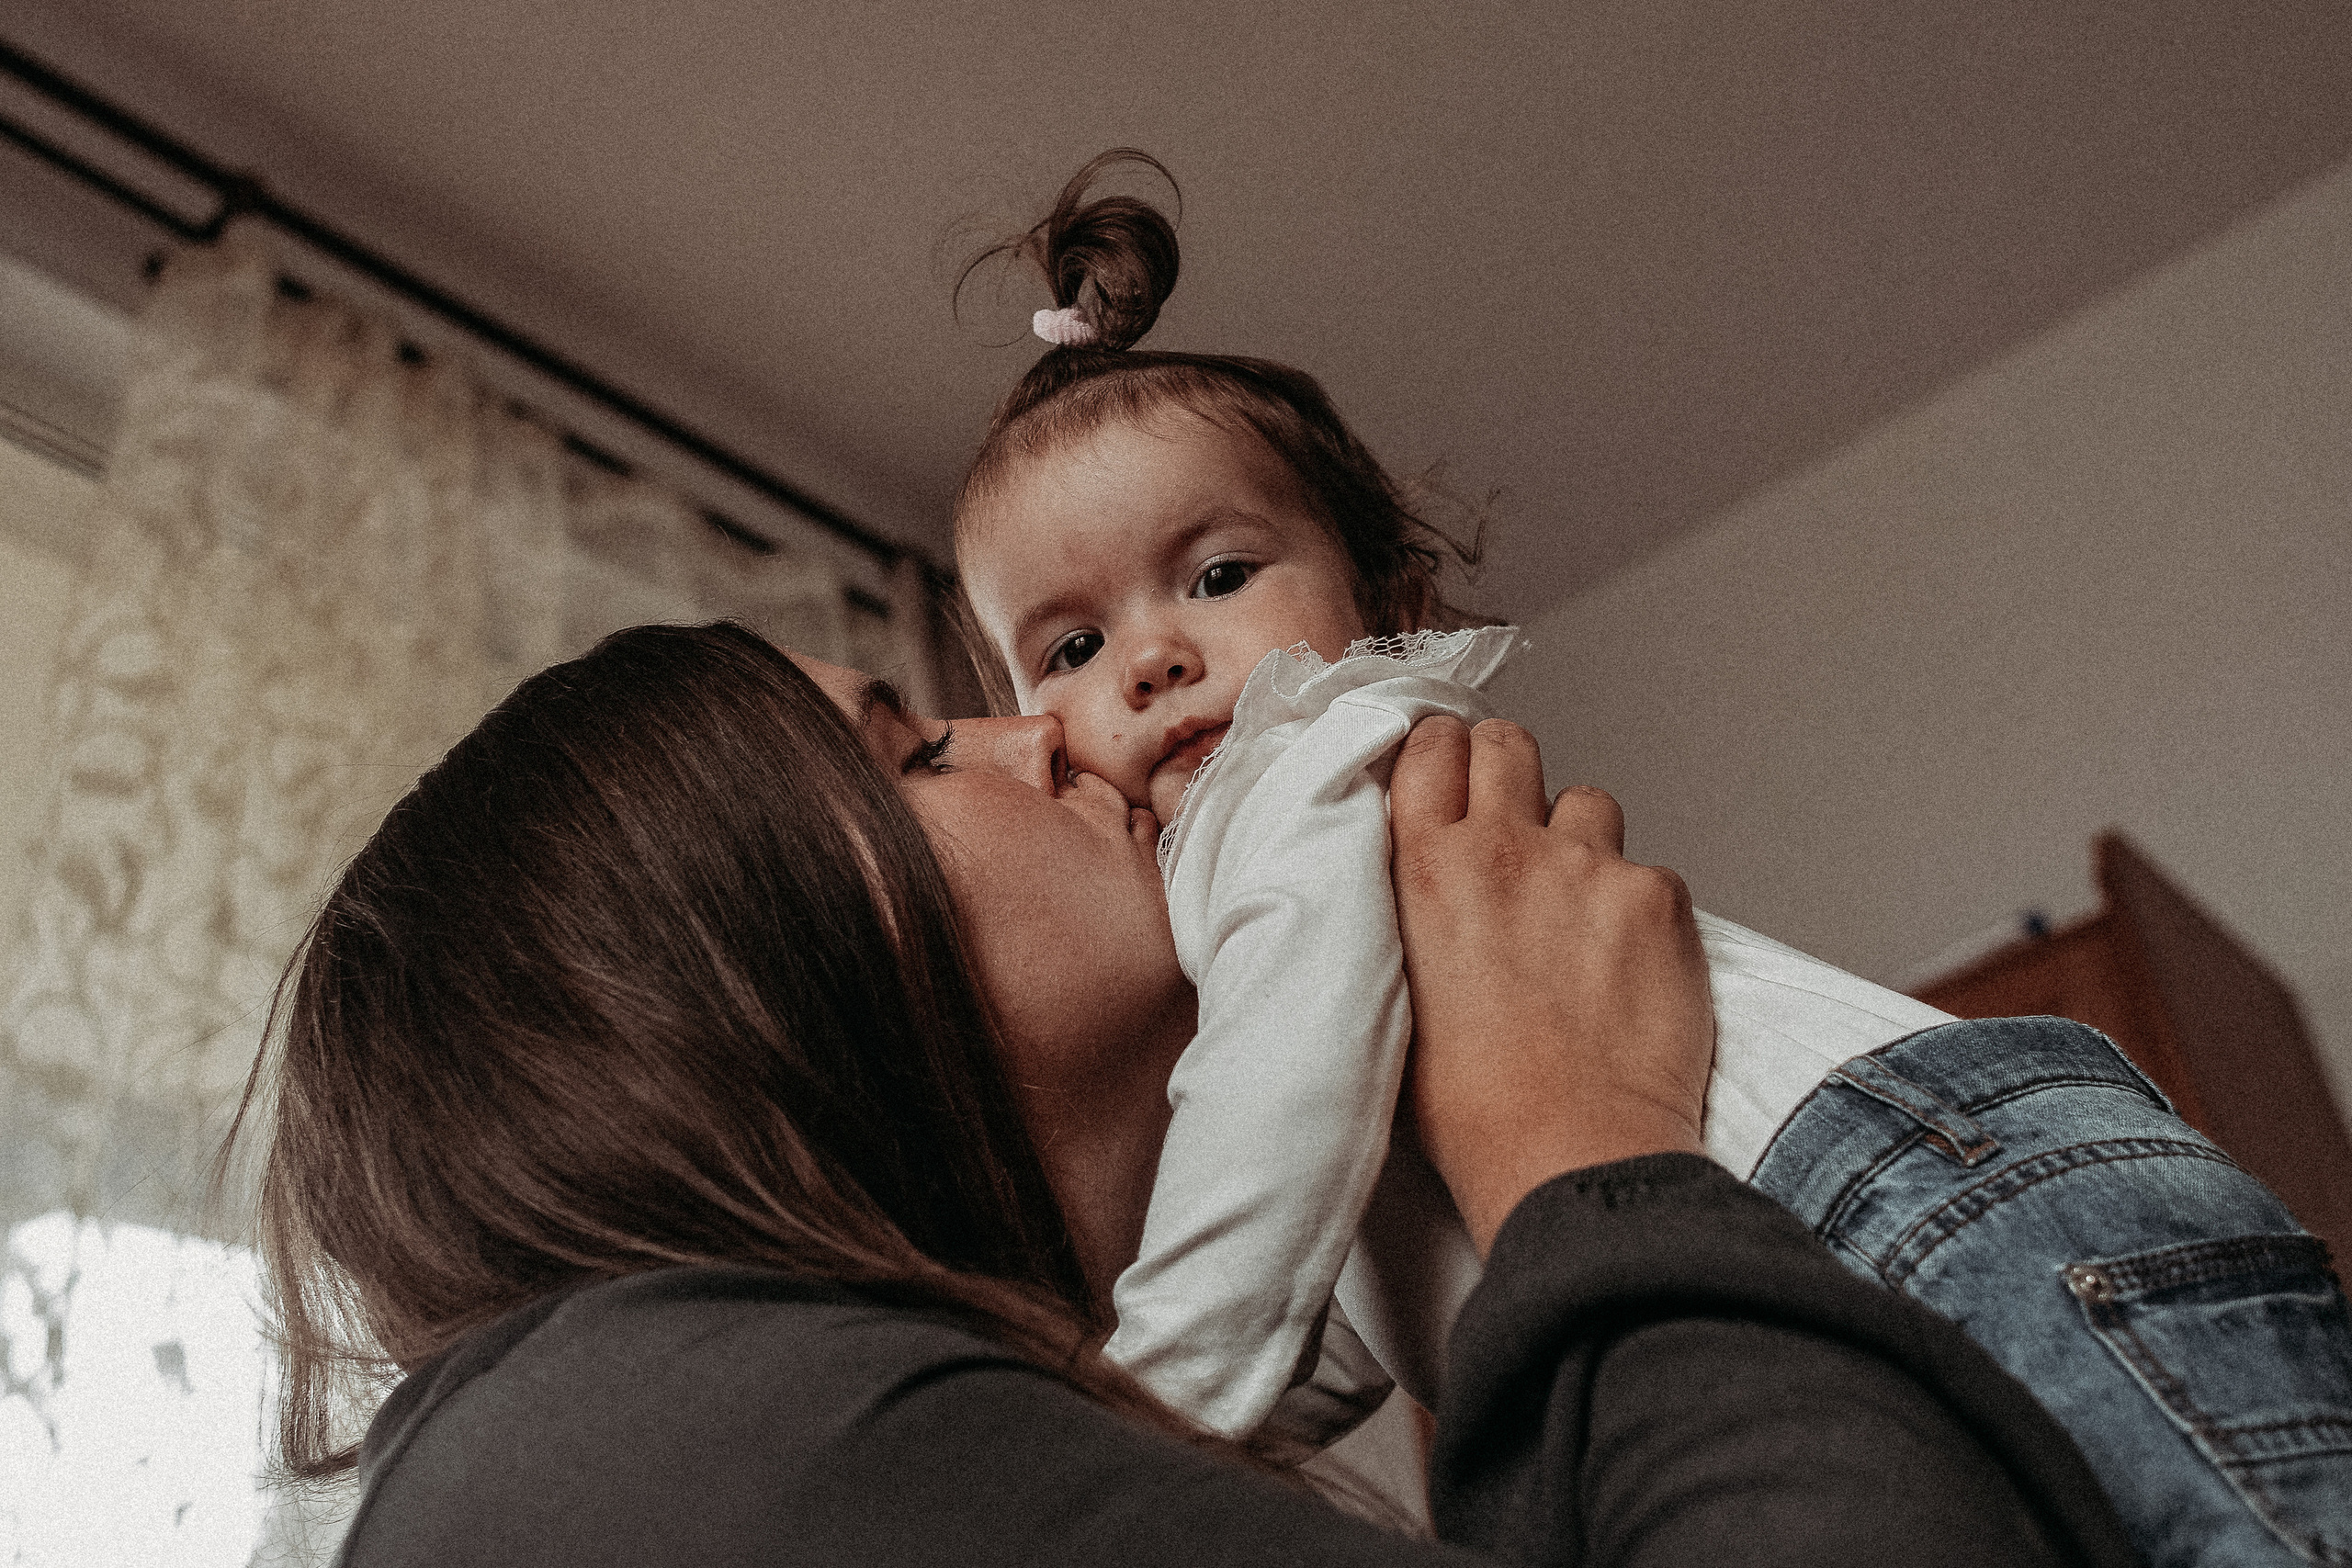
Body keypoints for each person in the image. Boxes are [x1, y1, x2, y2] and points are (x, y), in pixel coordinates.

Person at [950, 152, 2352, 1562]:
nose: (1153, 657)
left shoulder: (1305, 755)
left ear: (1387, 601)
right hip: (1916, 1201)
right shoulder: (1253, 884)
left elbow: (1281, 1106)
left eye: (1217, 576)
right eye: (1069, 648)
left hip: (1905, 1190)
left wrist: (1131, 1416)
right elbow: (1346, 1252)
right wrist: (1243, 1421)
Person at [232, 621, 2138, 1567]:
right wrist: (1586, 1139)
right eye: (906, 756)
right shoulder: (707, 1467)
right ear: (714, 973)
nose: (1040, 725)